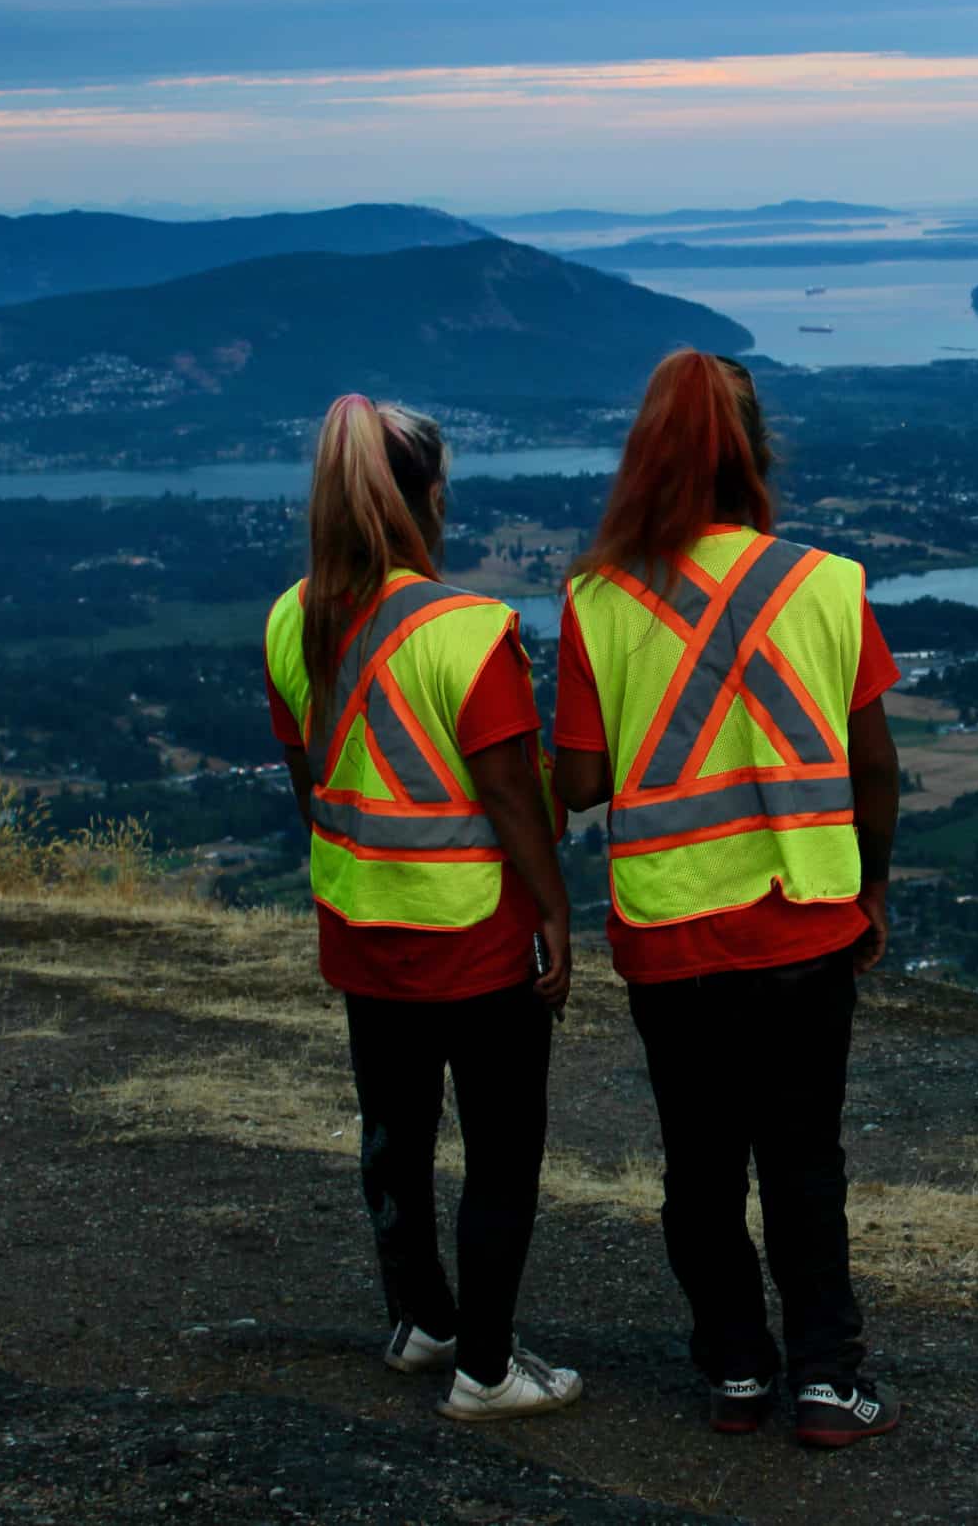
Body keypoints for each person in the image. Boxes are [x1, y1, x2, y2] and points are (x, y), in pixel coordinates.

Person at [552, 349, 903, 1450]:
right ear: (754, 451)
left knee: (699, 1165)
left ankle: (736, 1367)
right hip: (804, 921)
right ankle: (826, 1381)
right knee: (804, 1159)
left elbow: (579, 783)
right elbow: (873, 765)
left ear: (641, 455)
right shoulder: (825, 584)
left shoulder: (597, 599)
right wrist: (873, 885)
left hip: (671, 933)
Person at [262, 394, 582, 1423]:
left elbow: (310, 787)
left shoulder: (291, 616)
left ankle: (420, 1322)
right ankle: (487, 1369)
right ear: (431, 497)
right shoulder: (468, 630)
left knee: (394, 1135)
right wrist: (555, 912)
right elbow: (511, 800)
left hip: (363, 931)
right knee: (501, 1152)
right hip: (476, 940)